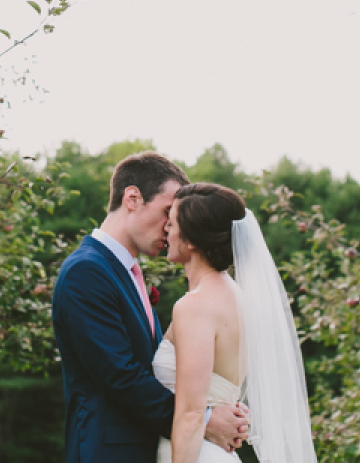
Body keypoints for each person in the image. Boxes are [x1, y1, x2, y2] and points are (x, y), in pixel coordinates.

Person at [52, 152, 250, 463]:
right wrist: (206, 418)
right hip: (109, 453)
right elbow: (120, 376)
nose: (172, 226)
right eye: (167, 212)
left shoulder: (129, 272)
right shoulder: (86, 271)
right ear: (132, 198)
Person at [157, 183, 318, 463]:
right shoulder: (236, 297)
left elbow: (192, 414)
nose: (165, 231)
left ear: (192, 240)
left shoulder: (195, 306)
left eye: (171, 224)